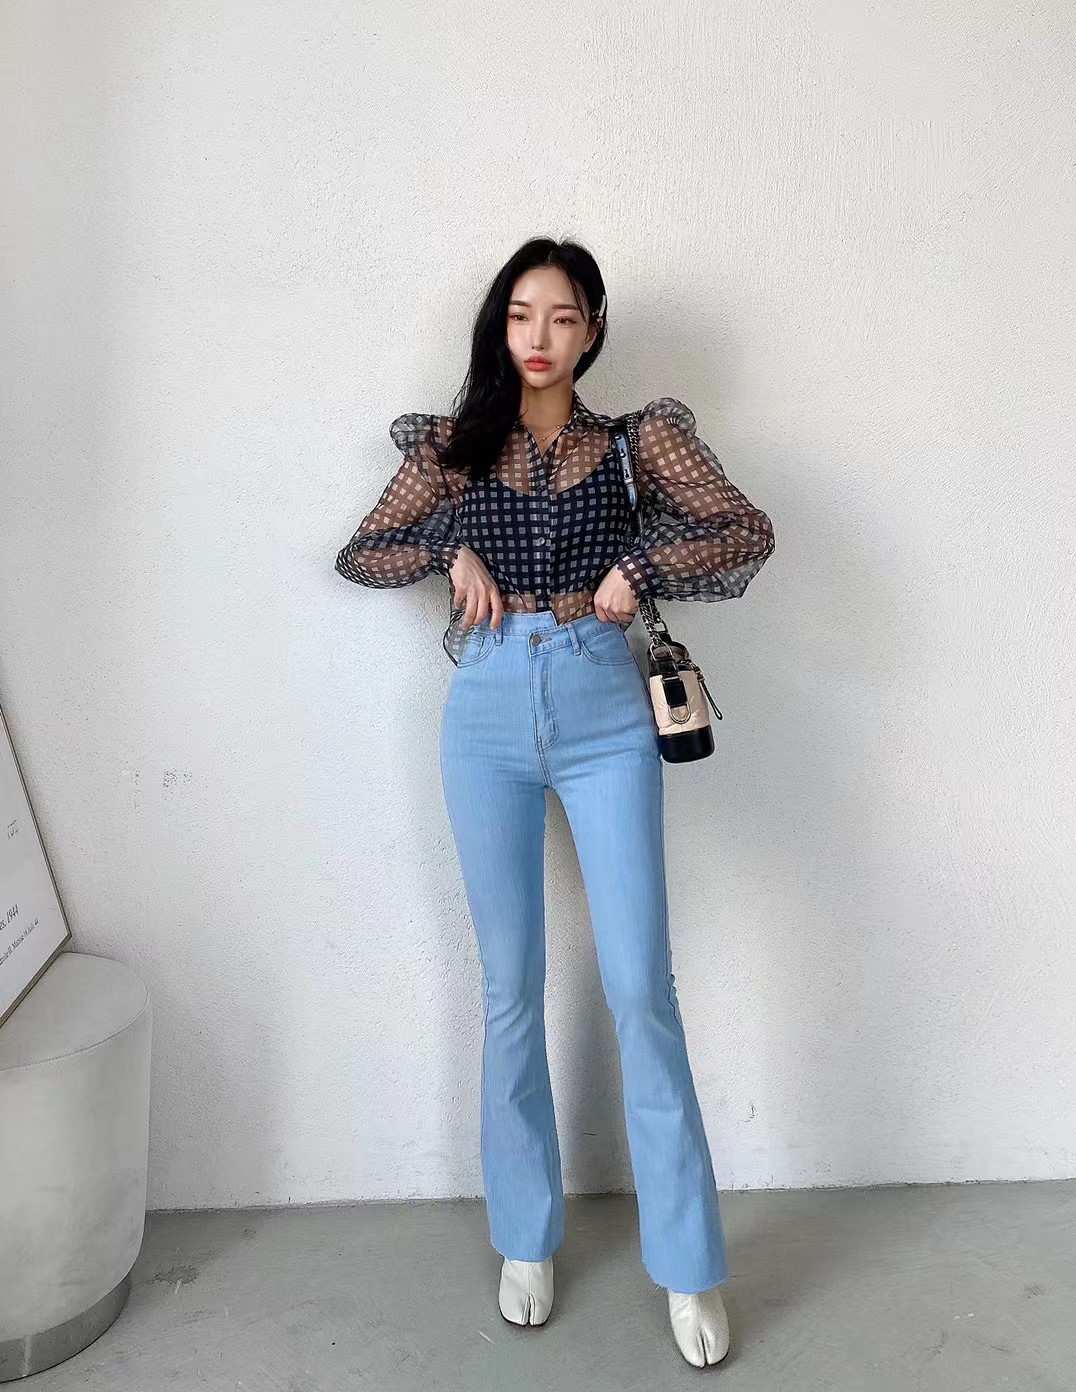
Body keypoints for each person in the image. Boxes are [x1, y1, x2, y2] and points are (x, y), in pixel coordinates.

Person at [334, 237, 775, 1367]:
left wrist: (641, 571)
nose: (540, 336)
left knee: (640, 987)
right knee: (509, 988)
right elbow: (365, 550)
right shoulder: (451, 447)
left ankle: (688, 1263)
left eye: (563, 316)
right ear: (500, 326)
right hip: (484, 711)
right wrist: (451, 549)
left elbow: (745, 528)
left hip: (602, 710)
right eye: (522, 314)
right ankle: (524, 1237)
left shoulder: (636, 443)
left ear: (592, 331)